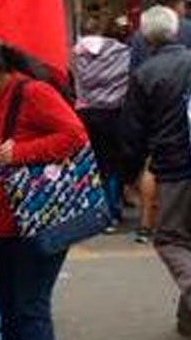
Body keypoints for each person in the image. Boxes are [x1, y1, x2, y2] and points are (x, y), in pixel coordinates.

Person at [0, 30, 86, 340]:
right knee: (8, 309)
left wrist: (20, 152)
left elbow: (75, 135)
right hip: (2, 228)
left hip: (39, 220)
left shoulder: (32, 93)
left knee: (29, 310)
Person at [121, 6, 191, 340]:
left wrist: (130, 175)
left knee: (168, 238)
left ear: (145, 37)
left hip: (175, 168)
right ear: (176, 30)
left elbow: (133, 133)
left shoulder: (145, 73)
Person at [71, 12, 131, 229]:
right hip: (114, 113)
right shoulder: (123, 53)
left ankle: (92, 212)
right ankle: (113, 212)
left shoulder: (76, 54)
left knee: (90, 164)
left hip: (86, 114)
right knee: (112, 165)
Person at [129, 0, 191, 71]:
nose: (185, 10)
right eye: (183, 6)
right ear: (176, 5)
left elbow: (134, 68)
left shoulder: (141, 32)